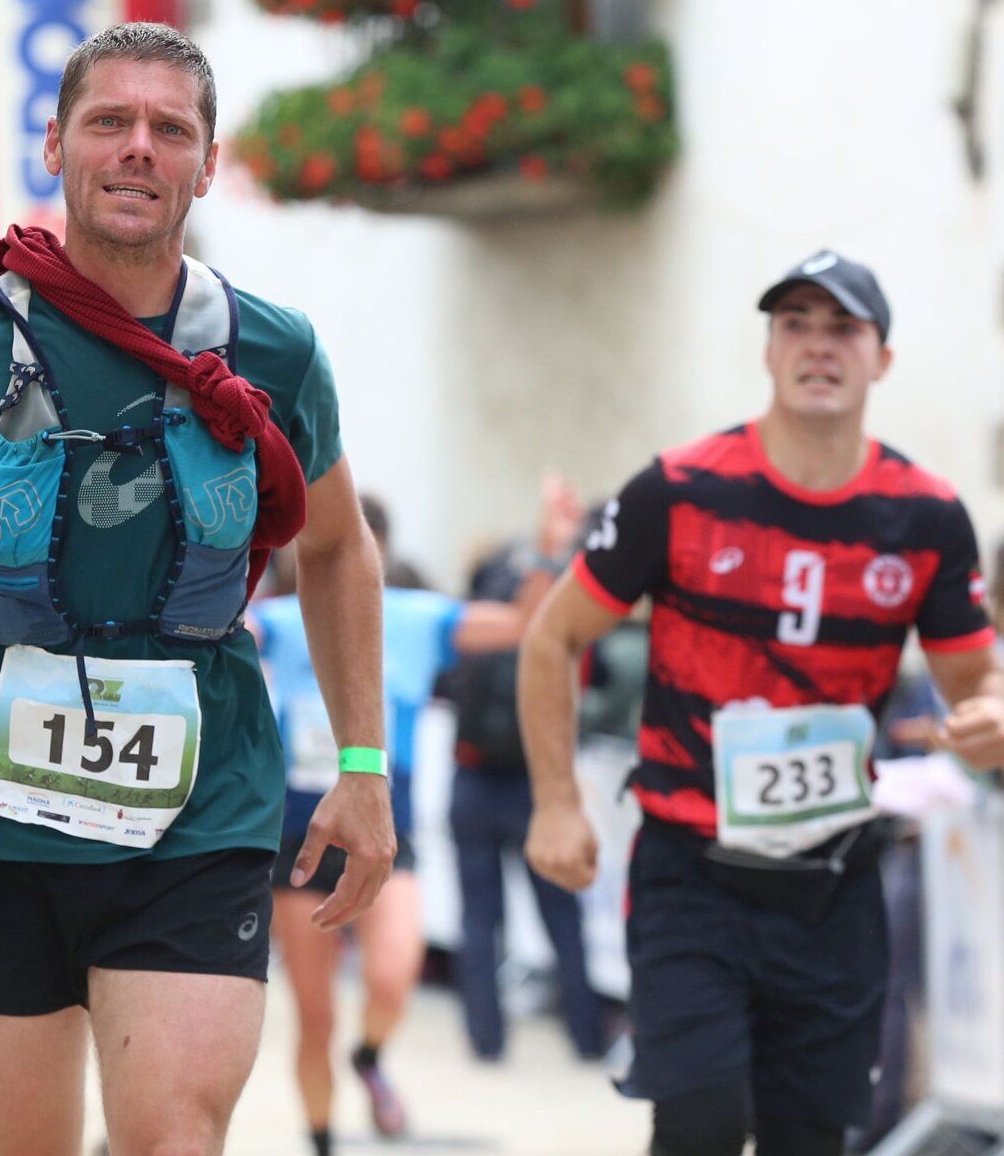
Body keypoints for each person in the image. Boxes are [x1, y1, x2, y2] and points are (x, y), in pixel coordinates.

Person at [0, 22, 394, 1156]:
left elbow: (339, 549)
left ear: (208, 164)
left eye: (170, 129)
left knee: (173, 1133)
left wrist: (362, 766)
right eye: (108, 122)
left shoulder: (273, 353)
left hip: (201, 814)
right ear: (55, 143)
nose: (138, 149)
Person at [518, 251, 1004, 1156]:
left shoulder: (927, 516)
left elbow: (976, 685)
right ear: (769, 350)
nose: (817, 346)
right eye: (795, 325)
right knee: (701, 1121)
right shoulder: (681, 488)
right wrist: (555, 800)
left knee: (808, 1140)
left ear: (880, 359)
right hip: (689, 872)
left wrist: (992, 720)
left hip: (832, 880)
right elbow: (552, 636)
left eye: (842, 328)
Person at [252, 491, 556, 1156]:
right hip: (301, 836)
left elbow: (524, 624)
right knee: (314, 1015)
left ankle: (368, 1055)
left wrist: (546, 550)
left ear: (372, 551)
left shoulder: (414, 618)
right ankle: (324, 1137)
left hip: (385, 833)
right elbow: (228, 629)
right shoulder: (280, 618)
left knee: (393, 977)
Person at [442, 475, 606, 1065]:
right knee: (563, 914)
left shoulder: (486, 589)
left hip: (473, 776)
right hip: (538, 777)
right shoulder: (573, 595)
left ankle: (487, 1042)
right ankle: (587, 1039)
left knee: (481, 918)